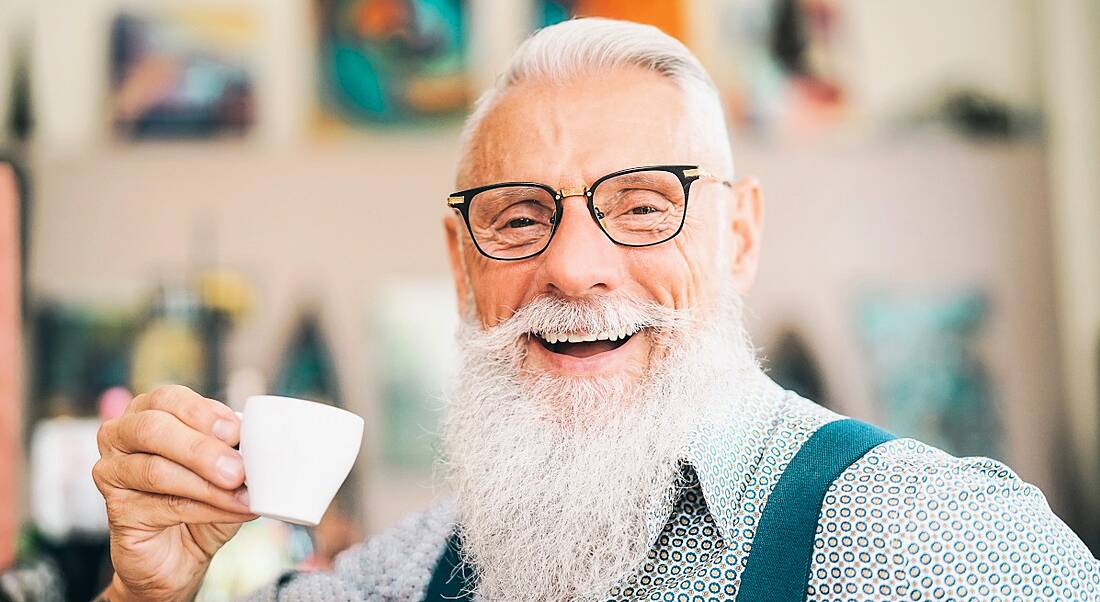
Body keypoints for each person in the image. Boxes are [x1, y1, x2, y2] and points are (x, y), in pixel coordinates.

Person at [92, 18, 1099, 602]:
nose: (574, 267)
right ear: (460, 262)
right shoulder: (415, 571)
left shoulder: (927, 543)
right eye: (518, 215)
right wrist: (144, 592)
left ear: (736, 236)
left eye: (643, 204)